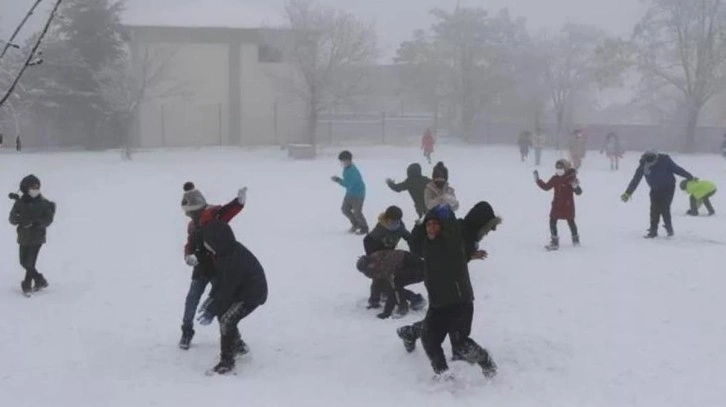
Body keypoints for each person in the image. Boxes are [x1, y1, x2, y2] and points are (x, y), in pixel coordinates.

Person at [396, 205, 497, 379]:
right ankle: (442, 373)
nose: (431, 228)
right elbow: (413, 243)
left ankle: (485, 360)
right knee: (429, 339)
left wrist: (442, 211)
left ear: (443, 226)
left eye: (436, 224)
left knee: (460, 344)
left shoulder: (451, 240)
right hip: (438, 303)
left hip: (460, 302)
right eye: (429, 225)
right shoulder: (426, 246)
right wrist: (421, 222)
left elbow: (453, 232)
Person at [179, 182, 247, 350]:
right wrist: (188, 255)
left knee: (222, 304)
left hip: (218, 270)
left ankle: (235, 339)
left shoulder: (215, 217)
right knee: (191, 301)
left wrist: (238, 202)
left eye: (189, 212)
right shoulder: (193, 226)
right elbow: (190, 244)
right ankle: (187, 331)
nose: (187, 215)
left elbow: (227, 211)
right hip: (201, 269)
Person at [196, 220, 267, 375]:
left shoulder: (233, 259)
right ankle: (238, 345)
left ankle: (226, 362)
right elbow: (221, 282)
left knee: (227, 320)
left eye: (208, 243)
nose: (206, 246)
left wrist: (212, 309)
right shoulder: (224, 253)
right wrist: (211, 299)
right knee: (223, 313)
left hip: (252, 295)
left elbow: (227, 289)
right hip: (240, 291)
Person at [621, 150, 694, 238]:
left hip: (669, 187)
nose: (651, 163)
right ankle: (653, 231)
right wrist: (628, 193)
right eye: (649, 161)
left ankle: (669, 228)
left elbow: (677, 169)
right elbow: (636, 179)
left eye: (653, 161)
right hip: (655, 188)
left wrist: (689, 176)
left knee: (664, 207)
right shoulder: (643, 164)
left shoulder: (665, 160)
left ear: (656, 157)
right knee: (654, 209)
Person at [363, 206, 423, 310]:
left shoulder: (400, 227)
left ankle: (389, 294)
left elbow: (408, 237)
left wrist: (415, 247)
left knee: (390, 279)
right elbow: (367, 240)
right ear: (386, 219)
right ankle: (374, 299)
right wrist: (372, 255)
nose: (395, 224)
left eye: (397, 221)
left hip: (391, 256)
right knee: (379, 276)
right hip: (378, 253)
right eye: (392, 221)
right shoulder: (380, 229)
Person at [8, 174, 56, 296]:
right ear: (25, 188)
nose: (36, 189)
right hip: (23, 237)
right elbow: (12, 219)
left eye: (37, 186)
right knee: (23, 262)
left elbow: (48, 219)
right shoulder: (20, 203)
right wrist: (19, 219)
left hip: (37, 237)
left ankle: (27, 285)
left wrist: (36, 223)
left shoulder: (44, 203)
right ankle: (39, 280)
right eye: (32, 187)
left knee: (30, 262)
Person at [356, 250, 425, 319]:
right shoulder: (376, 261)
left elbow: (393, 288)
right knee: (389, 284)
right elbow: (376, 282)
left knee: (395, 283)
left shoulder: (383, 265)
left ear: (370, 265)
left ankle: (404, 307)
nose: (367, 273)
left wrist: (386, 312)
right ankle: (416, 299)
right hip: (405, 266)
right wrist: (373, 301)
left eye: (366, 270)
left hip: (419, 269)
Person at [534, 159, 582, 250]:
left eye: (561, 168)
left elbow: (579, 192)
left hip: (568, 205)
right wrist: (538, 180)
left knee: (571, 222)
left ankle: (576, 241)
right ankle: (554, 241)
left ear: (566, 168)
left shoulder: (571, 178)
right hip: (556, 205)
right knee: (552, 221)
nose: (559, 170)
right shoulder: (555, 179)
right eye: (557, 168)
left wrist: (575, 187)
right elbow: (546, 187)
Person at [331, 150, 369, 235]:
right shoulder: (346, 169)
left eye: (344, 161)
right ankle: (356, 224)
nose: (343, 163)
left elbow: (348, 184)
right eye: (341, 161)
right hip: (350, 193)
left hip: (358, 194)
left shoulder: (353, 171)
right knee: (345, 209)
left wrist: (338, 180)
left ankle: (364, 227)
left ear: (349, 160)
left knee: (357, 212)